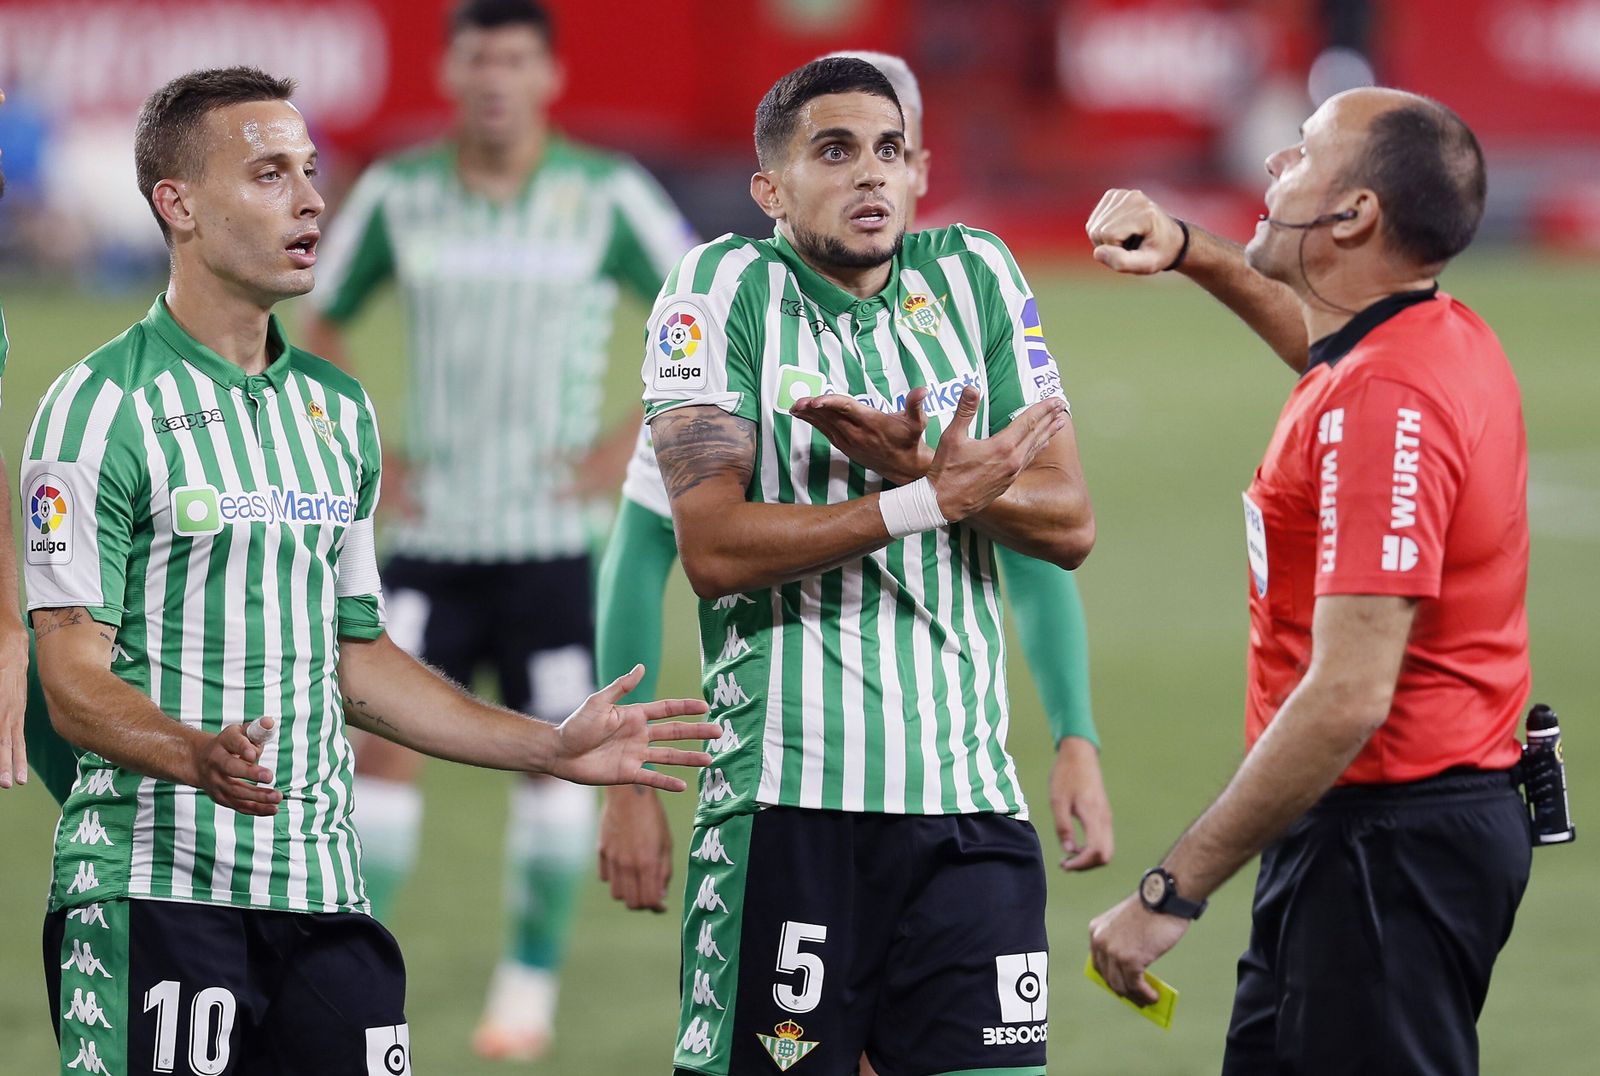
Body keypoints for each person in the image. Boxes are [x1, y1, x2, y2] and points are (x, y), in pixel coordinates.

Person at [23, 66, 715, 1076]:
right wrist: (188, 751)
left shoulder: (335, 413)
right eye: (268, 175)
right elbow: (71, 677)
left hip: (325, 905)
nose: (311, 199)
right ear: (177, 204)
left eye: (310, 171)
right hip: (157, 895)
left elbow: (356, 658)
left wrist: (550, 746)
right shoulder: (98, 408)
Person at [647, 57, 1094, 1076]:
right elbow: (712, 549)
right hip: (792, 809)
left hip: (969, 810)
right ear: (770, 188)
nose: (869, 176)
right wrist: (922, 498)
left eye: (888, 152)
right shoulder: (721, 291)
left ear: (920, 170)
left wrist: (926, 468)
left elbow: (1068, 521)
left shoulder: (976, 272)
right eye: (834, 151)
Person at [1084, 88, 1532, 1074]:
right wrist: (1192, 251)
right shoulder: (1422, 337)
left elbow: (1346, 693)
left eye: (1299, 154)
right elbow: (1321, 351)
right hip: (1384, 838)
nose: (1273, 163)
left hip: (1385, 848)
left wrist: (1169, 891)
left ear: (1352, 214)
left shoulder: (1387, 396)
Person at [302, 0, 696, 1058]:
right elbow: (322, 317)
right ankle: (355, 968)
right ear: (448, 71)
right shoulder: (398, 193)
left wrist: (623, 448)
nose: (494, 81)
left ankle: (526, 986)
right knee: (379, 756)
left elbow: (705, 307)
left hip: (555, 541)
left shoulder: (604, 194)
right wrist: (368, 456)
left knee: (555, 760)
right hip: (430, 540)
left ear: (548, 77)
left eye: (515, 62)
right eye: (477, 60)